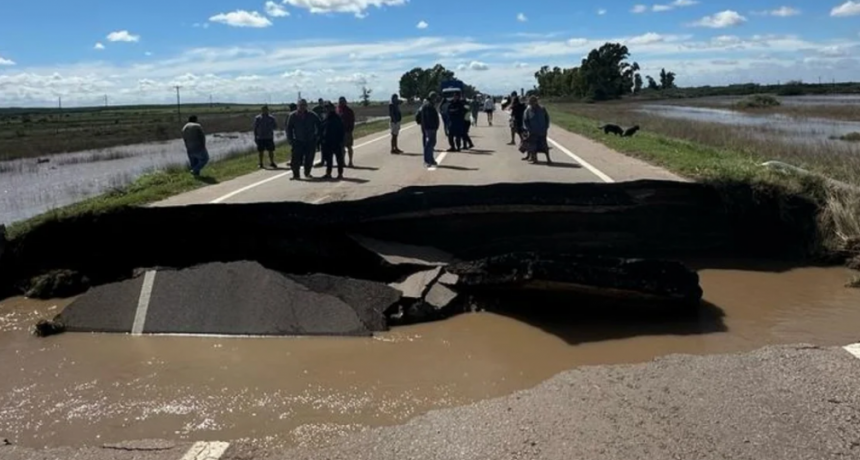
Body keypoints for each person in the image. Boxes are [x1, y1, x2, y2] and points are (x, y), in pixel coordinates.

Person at [285, 99, 321, 180]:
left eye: (304, 105)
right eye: (300, 105)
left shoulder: (312, 115)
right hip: (298, 140)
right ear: (297, 106)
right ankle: (296, 175)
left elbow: (319, 125)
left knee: (309, 158)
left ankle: (307, 173)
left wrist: (317, 136)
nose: (302, 107)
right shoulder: (293, 116)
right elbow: (289, 129)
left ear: (306, 106)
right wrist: (290, 139)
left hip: (310, 140)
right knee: (295, 159)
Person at [523, 96, 552, 164]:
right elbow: (525, 120)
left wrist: (546, 127)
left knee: (544, 146)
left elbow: (547, 118)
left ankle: (548, 159)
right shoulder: (528, 110)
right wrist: (528, 129)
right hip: (532, 131)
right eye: (531, 102)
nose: (532, 104)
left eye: (534, 102)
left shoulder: (542, 109)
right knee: (533, 146)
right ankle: (535, 159)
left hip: (542, 131)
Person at [320, 102, 346, 180]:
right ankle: (328, 173)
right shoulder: (325, 118)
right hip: (327, 142)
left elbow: (342, 130)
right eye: (326, 108)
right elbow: (322, 130)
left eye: (328, 107)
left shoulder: (337, 118)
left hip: (336, 141)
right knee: (328, 159)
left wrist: (341, 141)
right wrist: (321, 139)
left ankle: (340, 174)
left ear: (332, 108)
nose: (327, 109)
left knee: (339, 159)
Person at [418, 92, 440, 167]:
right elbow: (428, 118)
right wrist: (433, 126)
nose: (436, 99)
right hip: (430, 127)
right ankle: (427, 160)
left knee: (431, 143)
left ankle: (430, 159)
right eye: (435, 98)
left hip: (430, 127)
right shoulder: (428, 106)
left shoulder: (429, 105)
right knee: (429, 144)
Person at [336, 96, 356, 167]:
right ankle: (343, 162)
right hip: (339, 132)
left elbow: (352, 121)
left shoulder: (349, 111)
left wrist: (350, 129)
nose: (341, 103)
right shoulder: (337, 110)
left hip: (347, 131)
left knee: (349, 146)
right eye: (340, 102)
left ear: (345, 102)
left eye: (342, 101)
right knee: (341, 148)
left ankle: (350, 161)